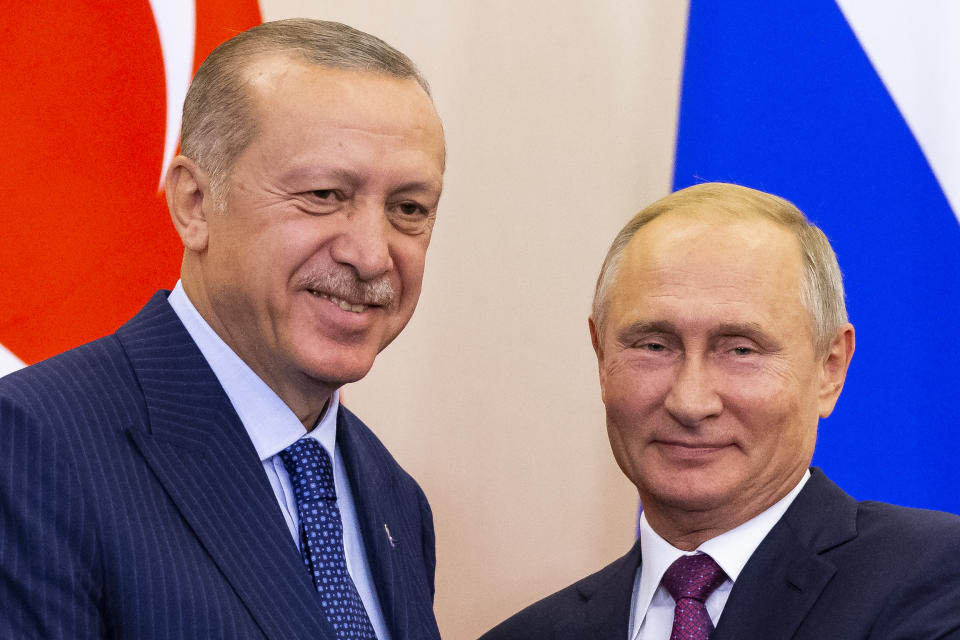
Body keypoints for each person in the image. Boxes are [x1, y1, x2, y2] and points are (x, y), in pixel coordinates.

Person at [0, 19, 445, 640]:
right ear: (193, 204)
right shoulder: (32, 445)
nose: (372, 256)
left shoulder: (395, 497)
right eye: (323, 194)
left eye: (409, 209)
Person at [481, 183, 960, 640]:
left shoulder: (938, 581)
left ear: (829, 369)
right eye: (653, 345)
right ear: (601, 356)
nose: (690, 402)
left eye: (740, 350)